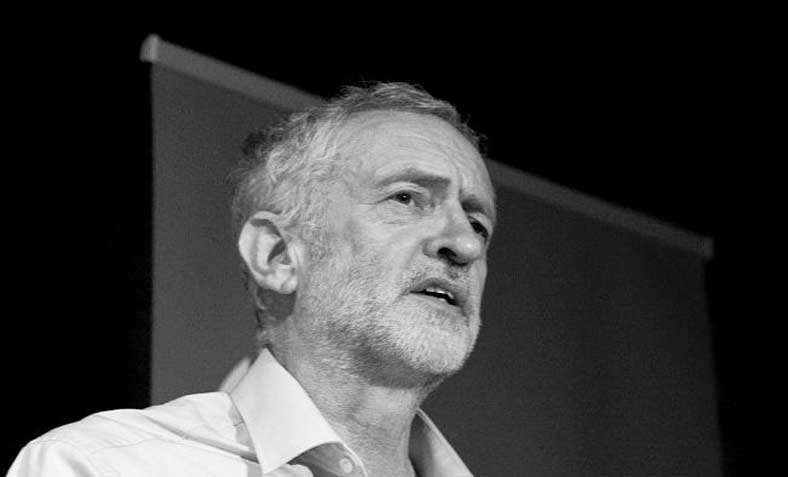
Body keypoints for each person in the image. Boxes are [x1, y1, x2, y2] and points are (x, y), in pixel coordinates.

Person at [8, 82, 496, 477]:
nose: (466, 245)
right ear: (278, 255)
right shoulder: (103, 466)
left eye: (478, 223)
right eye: (406, 198)